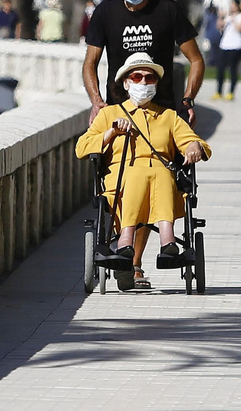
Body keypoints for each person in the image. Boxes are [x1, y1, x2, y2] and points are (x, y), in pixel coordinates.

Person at [82, 0, 205, 284]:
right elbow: (90, 63)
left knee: (158, 177)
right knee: (123, 180)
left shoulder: (168, 11)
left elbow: (196, 60)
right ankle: (127, 257)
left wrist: (188, 99)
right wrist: (96, 102)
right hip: (119, 113)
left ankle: (132, 263)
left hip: (161, 112)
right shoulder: (105, 13)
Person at [75, 52, 210, 291]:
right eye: (137, 77)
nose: (144, 82)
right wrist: (111, 133)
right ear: (126, 83)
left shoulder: (168, 116)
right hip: (121, 183)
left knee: (159, 171)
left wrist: (194, 146)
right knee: (139, 173)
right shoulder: (109, 114)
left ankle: (166, 239)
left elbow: (195, 141)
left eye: (150, 78)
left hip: (160, 184)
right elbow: (81, 148)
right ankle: (129, 238)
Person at [214, 0, 241, 100]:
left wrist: (233, 19)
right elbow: (219, 27)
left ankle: (231, 92)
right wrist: (221, 17)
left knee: (232, 69)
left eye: (233, 5)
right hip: (224, 45)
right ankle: (219, 91)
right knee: (220, 69)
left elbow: (239, 28)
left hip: (236, 46)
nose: (232, 7)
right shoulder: (227, 16)